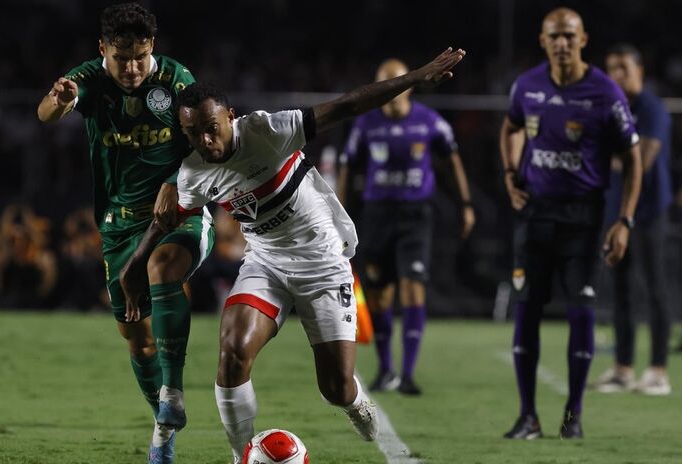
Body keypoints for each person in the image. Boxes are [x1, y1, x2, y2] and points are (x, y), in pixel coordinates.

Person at [121, 47, 466, 462]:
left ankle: (356, 401)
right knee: (231, 354)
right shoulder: (194, 172)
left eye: (211, 128)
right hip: (265, 264)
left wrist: (417, 77)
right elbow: (165, 220)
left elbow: (348, 104)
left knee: (335, 388)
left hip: (323, 263)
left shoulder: (268, 131)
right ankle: (240, 457)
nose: (205, 141)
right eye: (194, 134)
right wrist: (134, 267)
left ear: (230, 116)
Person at [36, 4, 215, 462]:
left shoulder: (176, 82)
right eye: (121, 58)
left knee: (162, 267)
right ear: (103, 51)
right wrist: (59, 99)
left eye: (139, 56)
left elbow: (204, 140)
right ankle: (164, 431)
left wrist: (176, 182)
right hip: (119, 224)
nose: (132, 68)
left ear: (151, 47)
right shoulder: (89, 80)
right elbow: (46, 114)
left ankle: (172, 390)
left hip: (178, 210)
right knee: (136, 338)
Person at [499, 8, 642, 439]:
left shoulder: (605, 92)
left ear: (583, 40)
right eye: (554, 36)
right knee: (525, 312)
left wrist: (625, 221)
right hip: (535, 214)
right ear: (543, 41)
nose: (562, 43)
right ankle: (528, 417)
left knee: (581, 313)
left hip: (583, 218)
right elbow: (510, 129)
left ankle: (571, 417)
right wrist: (510, 175)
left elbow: (634, 158)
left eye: (569, 36)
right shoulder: (527, 86)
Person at [337, 58, 475, 395]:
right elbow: (348, 168)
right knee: (380, 296)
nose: (389, 92)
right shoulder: (365, 124)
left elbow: (452, 159)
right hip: (377, 215)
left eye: (394, 84)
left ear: (408, 86)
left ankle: (409, 373)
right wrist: (338, 212)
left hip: (415, 215)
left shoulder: (429, 123)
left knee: (413, 287)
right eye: (383, 84)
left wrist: (466, 204)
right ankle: (386, 370)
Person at [591, 44, 674, 396]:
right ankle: (623, 369)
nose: (617, 75)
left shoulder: (652, 108)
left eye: (623, 67)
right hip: (616, 211)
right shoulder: (611, 108)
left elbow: (641, 161)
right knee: (620, 291)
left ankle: (658, 371)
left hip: (650, 211)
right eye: (612, 68)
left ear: (640, 69)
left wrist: (600, 158)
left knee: (655, 289)